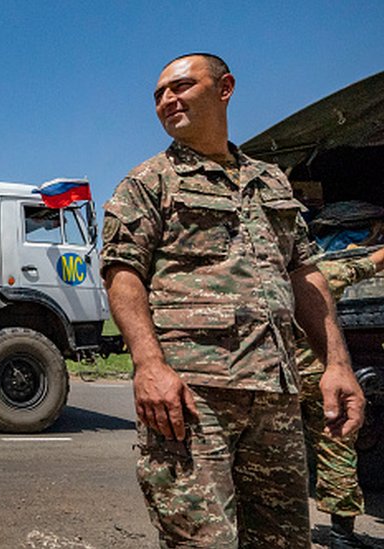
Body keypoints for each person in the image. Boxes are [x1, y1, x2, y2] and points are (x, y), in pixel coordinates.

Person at [100, 52, 365, 548]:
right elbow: (122, 272)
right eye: (158, 94)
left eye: (180, 87)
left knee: (283, 542)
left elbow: (306, 275)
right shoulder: (149, 182)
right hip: (192, 398)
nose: (166, 100)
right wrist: (149, 365)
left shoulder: (271, 182)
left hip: (276, 395)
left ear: (225, 88)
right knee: (203, 542)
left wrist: (337, 365)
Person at [301, 247, 384, 549]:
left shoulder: (259, 281)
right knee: (336, 453)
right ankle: (341, 537)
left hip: (277, 380)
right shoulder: (318, 276)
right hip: (323, 381)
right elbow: (367, 265)